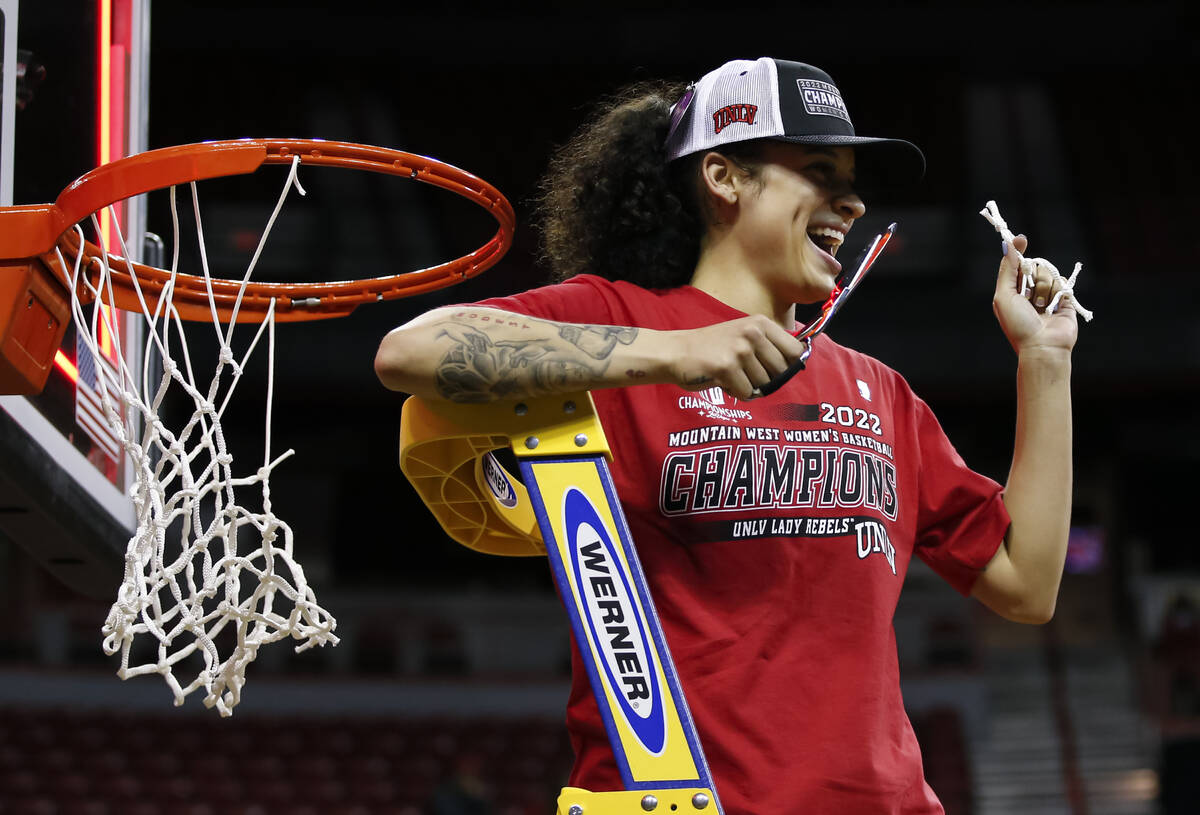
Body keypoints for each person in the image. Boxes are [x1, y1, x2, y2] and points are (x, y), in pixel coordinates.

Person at [375, 57, 1079, 815]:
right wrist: (677, 352)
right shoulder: (622, 322)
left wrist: (1045, 361)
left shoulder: (880, 390)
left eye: (851, 180)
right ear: (724, 177)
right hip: (676, 798)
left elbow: (1026, 583)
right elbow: (412, 352)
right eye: (818, 170)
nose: (852, 200)